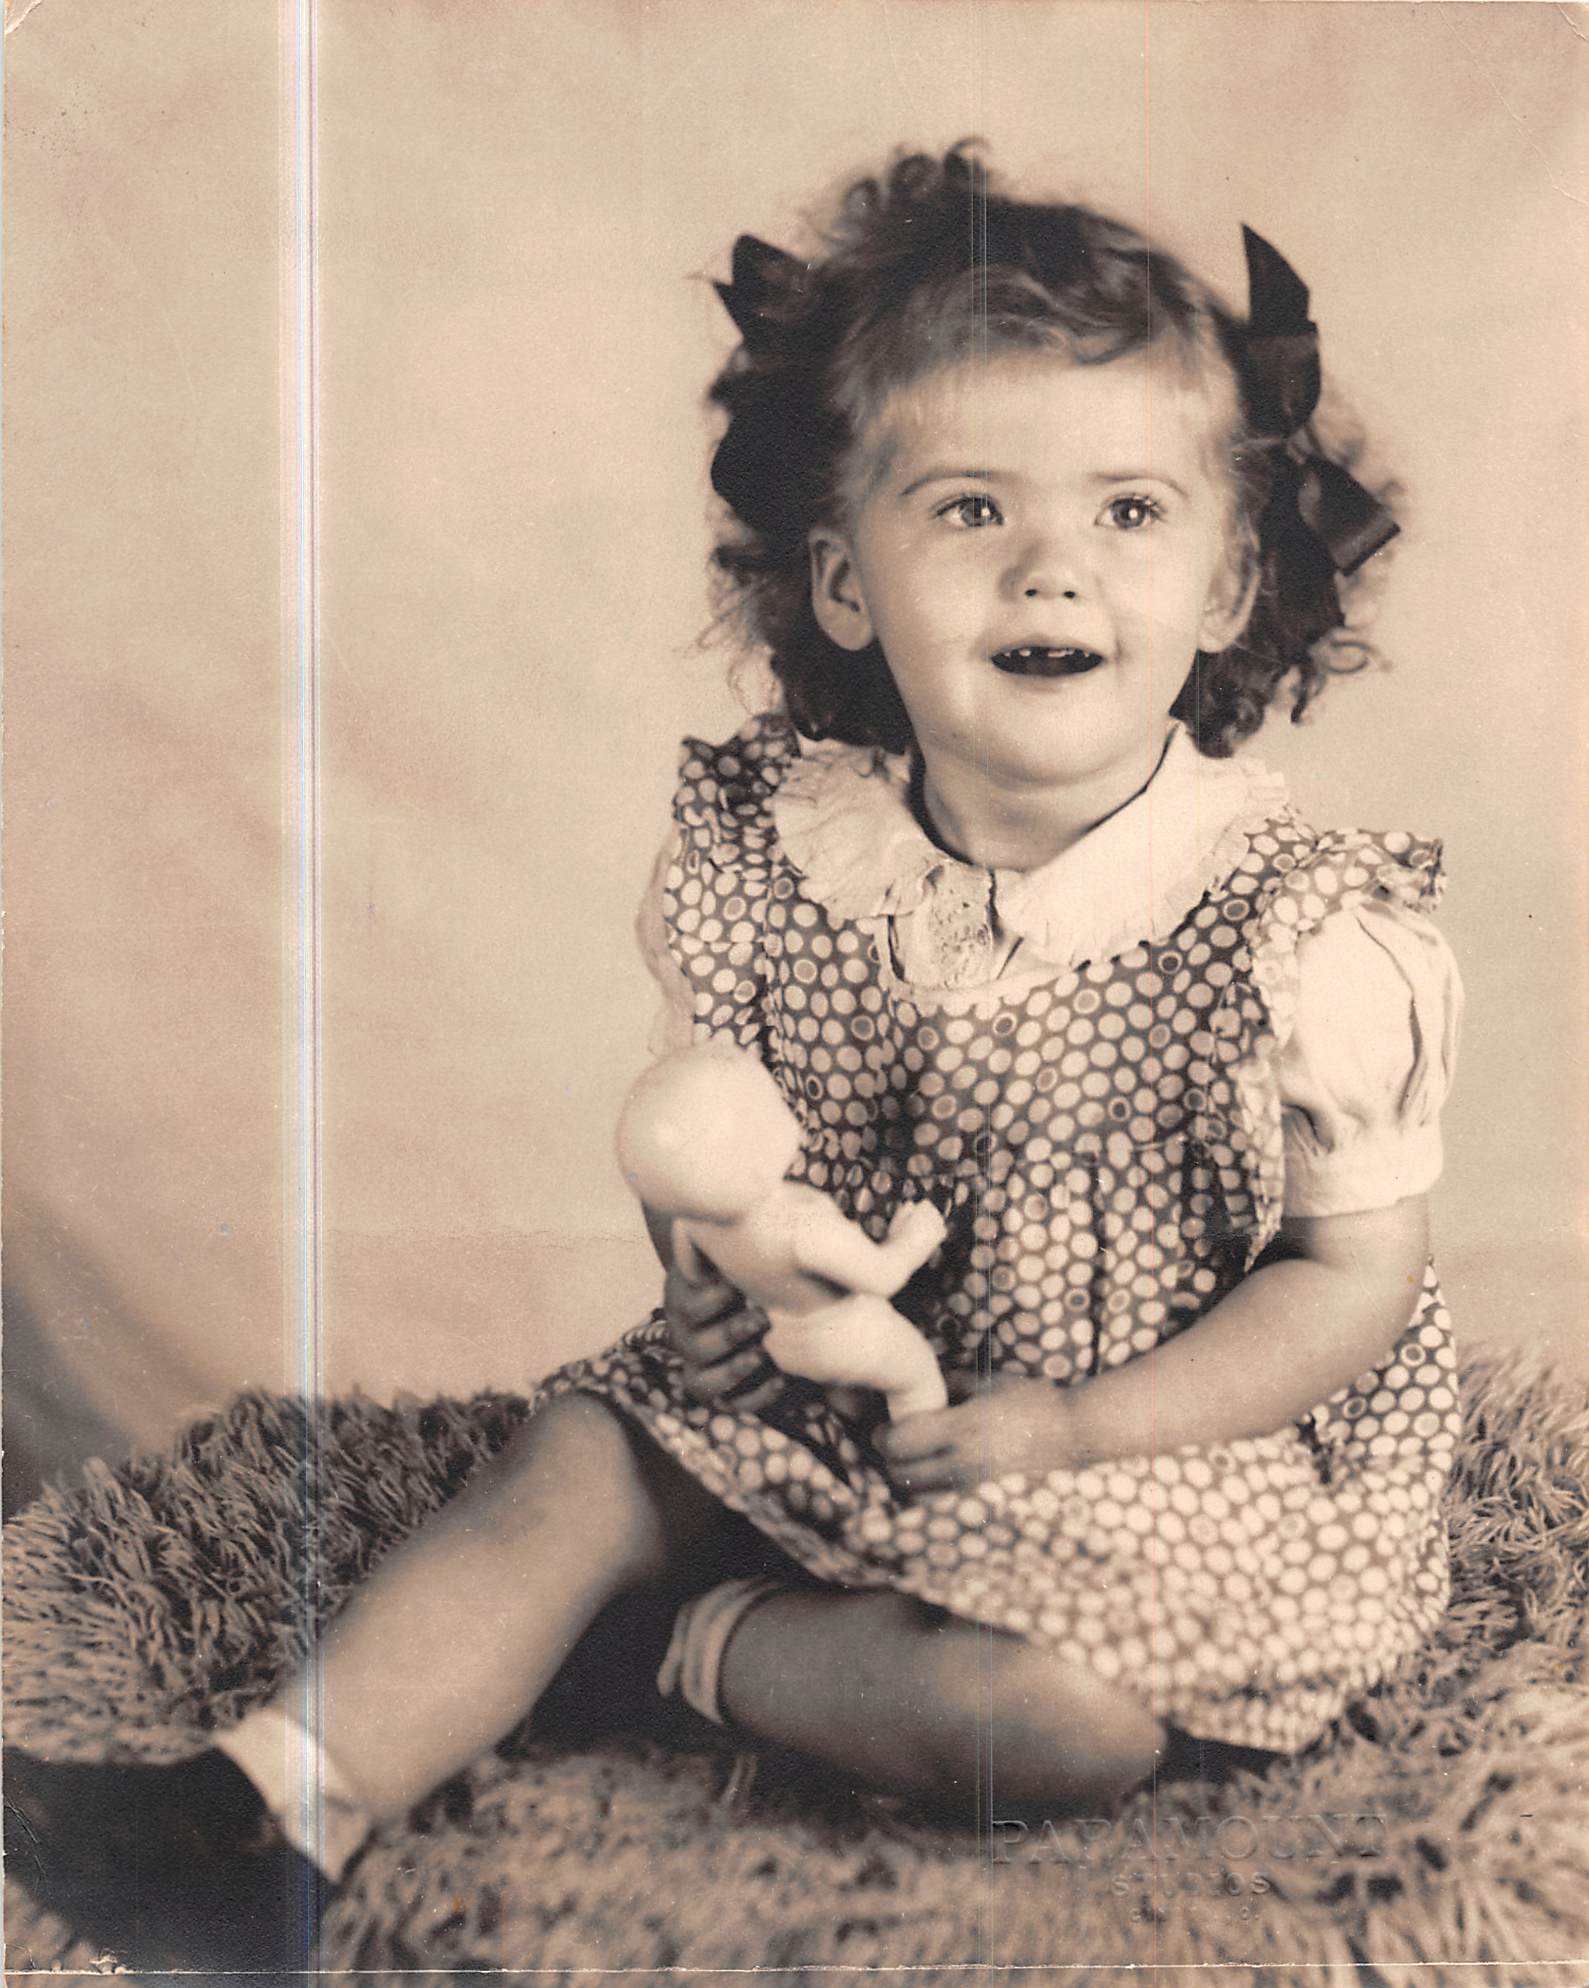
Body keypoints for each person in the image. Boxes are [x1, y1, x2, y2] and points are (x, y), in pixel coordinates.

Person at [5, 144, 1462, 1972]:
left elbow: (1349, 1278)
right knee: (578, 1464)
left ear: (1232, 584)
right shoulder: (778, 854)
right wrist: (703, 1282)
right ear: (844, 583)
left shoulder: (1304, 930)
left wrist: (1079, 1428)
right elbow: (714, 1142)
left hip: (1157, 1445)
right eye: (968, 509)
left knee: (1053, 1728)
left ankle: (670, 1654)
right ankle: (268, 1809)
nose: (1051, 565)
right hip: (816, 1389)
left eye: (1128, 512)